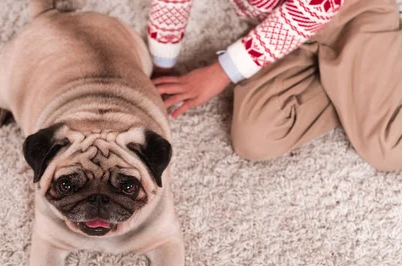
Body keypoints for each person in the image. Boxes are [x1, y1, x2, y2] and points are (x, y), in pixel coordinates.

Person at [147, 0, 402, 170]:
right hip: (284, 28)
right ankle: (346, 76)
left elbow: (319, 6)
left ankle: (366, 66)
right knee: (255, 138)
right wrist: (162, 66)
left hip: (350, 15)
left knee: (389, 148)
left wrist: (222, 72)